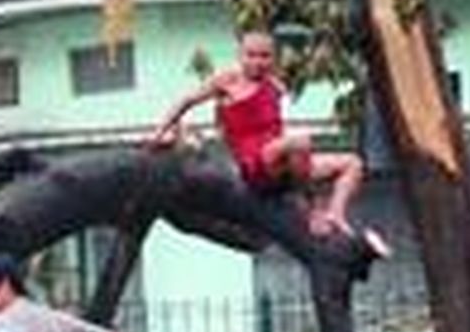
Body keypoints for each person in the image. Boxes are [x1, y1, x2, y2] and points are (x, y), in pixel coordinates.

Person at [148, 29, 381, 247]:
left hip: (284, 164)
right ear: (240, 56)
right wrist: (160, 132)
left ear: (273, 59)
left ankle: (336, 215)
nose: (258, 62)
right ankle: (313, 208)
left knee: (353, 163)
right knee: (299, 141)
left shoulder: (274, 84)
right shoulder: (227, 81)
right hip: (256, 165)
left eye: (265, 56)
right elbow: (186, 101)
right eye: (251, 55)